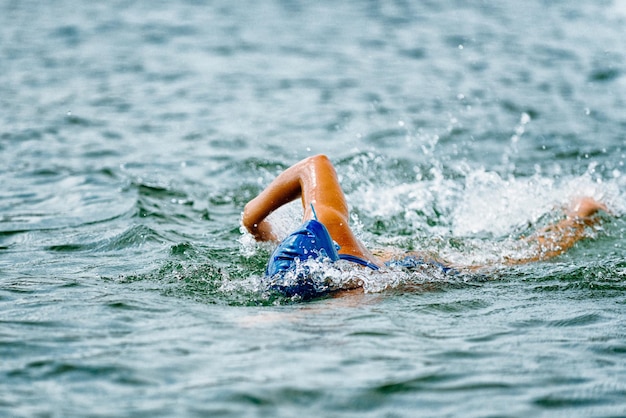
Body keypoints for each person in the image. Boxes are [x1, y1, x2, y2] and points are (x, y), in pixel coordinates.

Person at [243, 154, 608, 299]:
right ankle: (578, 213)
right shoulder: (329, 223)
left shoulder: (329, 229)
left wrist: (253, 222)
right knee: (506, 259)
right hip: (381, 271)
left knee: (509, 265)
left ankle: (580, 215)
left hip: (398, 274)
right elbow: (315, 164)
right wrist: (253, 218)